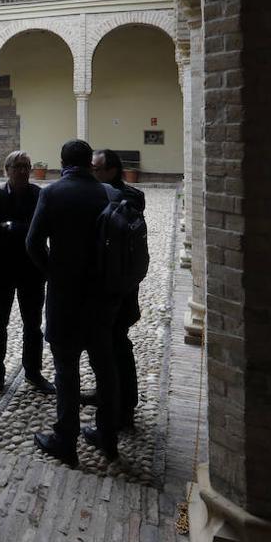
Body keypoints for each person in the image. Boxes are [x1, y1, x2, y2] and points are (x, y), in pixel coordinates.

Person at [25, 139, 119, 464]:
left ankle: (66, 440)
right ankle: (107, 434)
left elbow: (33, 242)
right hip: (101, 295)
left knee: (66, 369)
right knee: (104, 366)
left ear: (62, 161)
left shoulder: (52, 193)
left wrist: (53, 272)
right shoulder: (108, 193)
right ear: (90, 163)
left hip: (66, 295)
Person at [0, 151, 55, 397]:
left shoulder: (39, 195)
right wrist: (21, 228)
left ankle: (33, 372)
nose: (22, 171)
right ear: (7, 170)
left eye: (26, 167)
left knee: (32, 326)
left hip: (31, 271)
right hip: (1, 270)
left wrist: (10, 226)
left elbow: (39, 230)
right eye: (18, 166)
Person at [90, 148, 147, 434]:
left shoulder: (125, 199)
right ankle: (108, 395)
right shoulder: (127, 196)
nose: (92, 173)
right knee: (109, 346)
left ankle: (124, 409)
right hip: (121, 287)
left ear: (112, 170)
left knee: (117, 347)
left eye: (97, 169)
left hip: (117, 290)